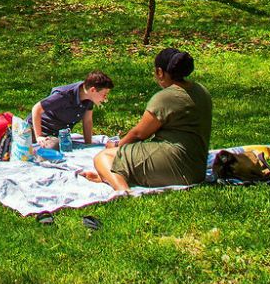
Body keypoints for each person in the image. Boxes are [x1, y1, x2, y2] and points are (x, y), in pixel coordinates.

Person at [81, 47, 211, 190]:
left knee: (103, 157)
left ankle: (123, 191)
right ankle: (109, 175)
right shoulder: (200, 90)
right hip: (197, 169)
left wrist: (116, 146)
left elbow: (139, 134)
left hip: (177, 167)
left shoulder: (166, 97)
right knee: (126, 156)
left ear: (160, 72)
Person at [30, 71, 112, 146]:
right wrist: (39, 137)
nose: (105, 99)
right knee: (54, 147)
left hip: (57, 135)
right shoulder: (64, 95)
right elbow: (36, 109)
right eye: (104, 94)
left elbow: (87, 121)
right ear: (93, 90)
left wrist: (88, 144)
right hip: (36, 131)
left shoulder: (88, 98)